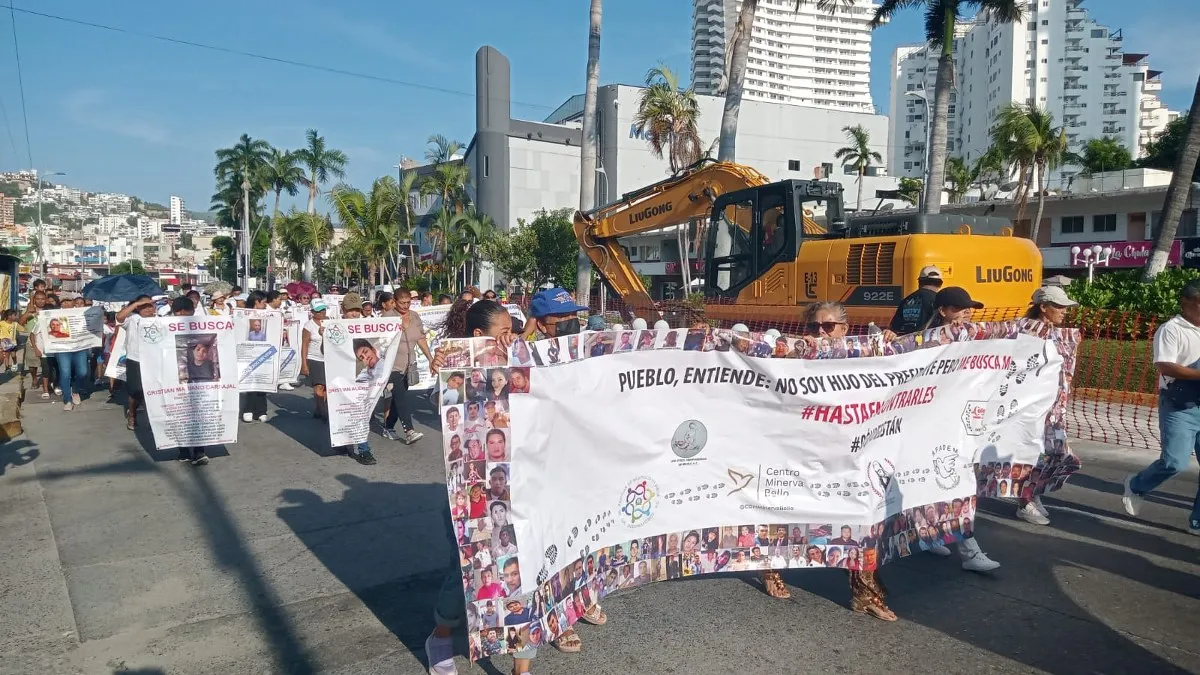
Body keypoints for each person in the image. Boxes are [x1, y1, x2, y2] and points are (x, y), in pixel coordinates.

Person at [426, 297, 602, 675]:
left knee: (528, 574)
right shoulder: (457, 369)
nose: (512, 338)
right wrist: (443, 367)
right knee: (473, 573)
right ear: (478, 337)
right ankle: (441, 636)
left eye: (514, 330)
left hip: (526, 490)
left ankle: (522, 667)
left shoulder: (526, 363)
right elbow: (449, 413)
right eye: (503, 332)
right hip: (474, 494)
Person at [762, 301, 897, 620]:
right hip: (800, 449)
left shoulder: (865, 354)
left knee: (861, 515)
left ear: (845, 329)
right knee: (787, 509)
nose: (820, 333)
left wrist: (890, 342)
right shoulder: (794, 354)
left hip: (849, 451)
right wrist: (797, 351)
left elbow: (900, 365)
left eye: (828, 326)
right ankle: (771, 569)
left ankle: (865, 593)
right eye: (814, 327)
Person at [1124, 279, 1200, 535]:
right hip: (1179, 406)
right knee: (1175, 462)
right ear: (1187, 302)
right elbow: (1165, 365)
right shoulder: (1172, 330)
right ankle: (1136, 485)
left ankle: (1198, 520)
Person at [1015, 285, 1079, 526]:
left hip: (1054, 406)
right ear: (1043, 307)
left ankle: (1033, 493)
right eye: (1059, 306)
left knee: (1056, 453)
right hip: (1029, 406)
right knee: (1031, 453)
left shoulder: (1060, 335)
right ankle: (1024, 501)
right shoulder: (1024, 332)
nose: (1064, 311)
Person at [377, 289, 432, 444]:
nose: (406, 306)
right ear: (394, 301)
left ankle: (388, 427)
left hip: (409, 366)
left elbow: (421, 338)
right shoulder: (387, 317)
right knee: (401, 397)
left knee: (396, 400)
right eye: (402, 303)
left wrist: (430, 359)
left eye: (408, 302)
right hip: (392, 366)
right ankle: (409, 431)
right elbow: (379, 342)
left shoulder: (415, 316)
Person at [339, 296, 378, 465]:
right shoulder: (335, 327)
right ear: (343, 310)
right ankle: (343, 440)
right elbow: (326, 350)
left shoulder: (366, 327)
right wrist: (324, 335)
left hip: (362, 380)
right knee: (344, 413)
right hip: (342, 379)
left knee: (360, 415)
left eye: (357, 310)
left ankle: (364, 450)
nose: (354, 314)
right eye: (350, 310)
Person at [115, 295, 158, 430]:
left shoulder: (161, 320)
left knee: (152, 390)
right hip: (135, 359)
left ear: (154, 307)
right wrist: (135, 304)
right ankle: (132, 415)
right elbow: (119, 317)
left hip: (154, 360)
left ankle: (153, 417)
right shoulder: (133, 319)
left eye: (149, 306)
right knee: (135, 390)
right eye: (143, 306)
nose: (146, 309)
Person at [241, 292, 270, 422]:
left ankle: (261, 411)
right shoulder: (242, 314)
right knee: (249, 382)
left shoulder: (269, 315)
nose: (265, 305)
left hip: (264, 354)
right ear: (256, 302)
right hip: (247, 354)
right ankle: (248, 410)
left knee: (262, 381)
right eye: (263, 302)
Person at [889, 265, 943, 335]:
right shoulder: (940, 301)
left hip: (907, 343)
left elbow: (894, 328)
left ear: (920, 282)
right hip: (929, 342)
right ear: (940, 284)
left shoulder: (906, 300)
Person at [300, 299, 329, 420]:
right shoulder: (308, 325)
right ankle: (324, 414)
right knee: (319, 388)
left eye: (323, 309)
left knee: (327, 388)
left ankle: (319, 408)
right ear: (312, 312)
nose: (322, 312)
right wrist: (304, 364)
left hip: (329, 359)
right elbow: (305, 345)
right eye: (318, 311)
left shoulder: (330, 322)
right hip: (314, 359)